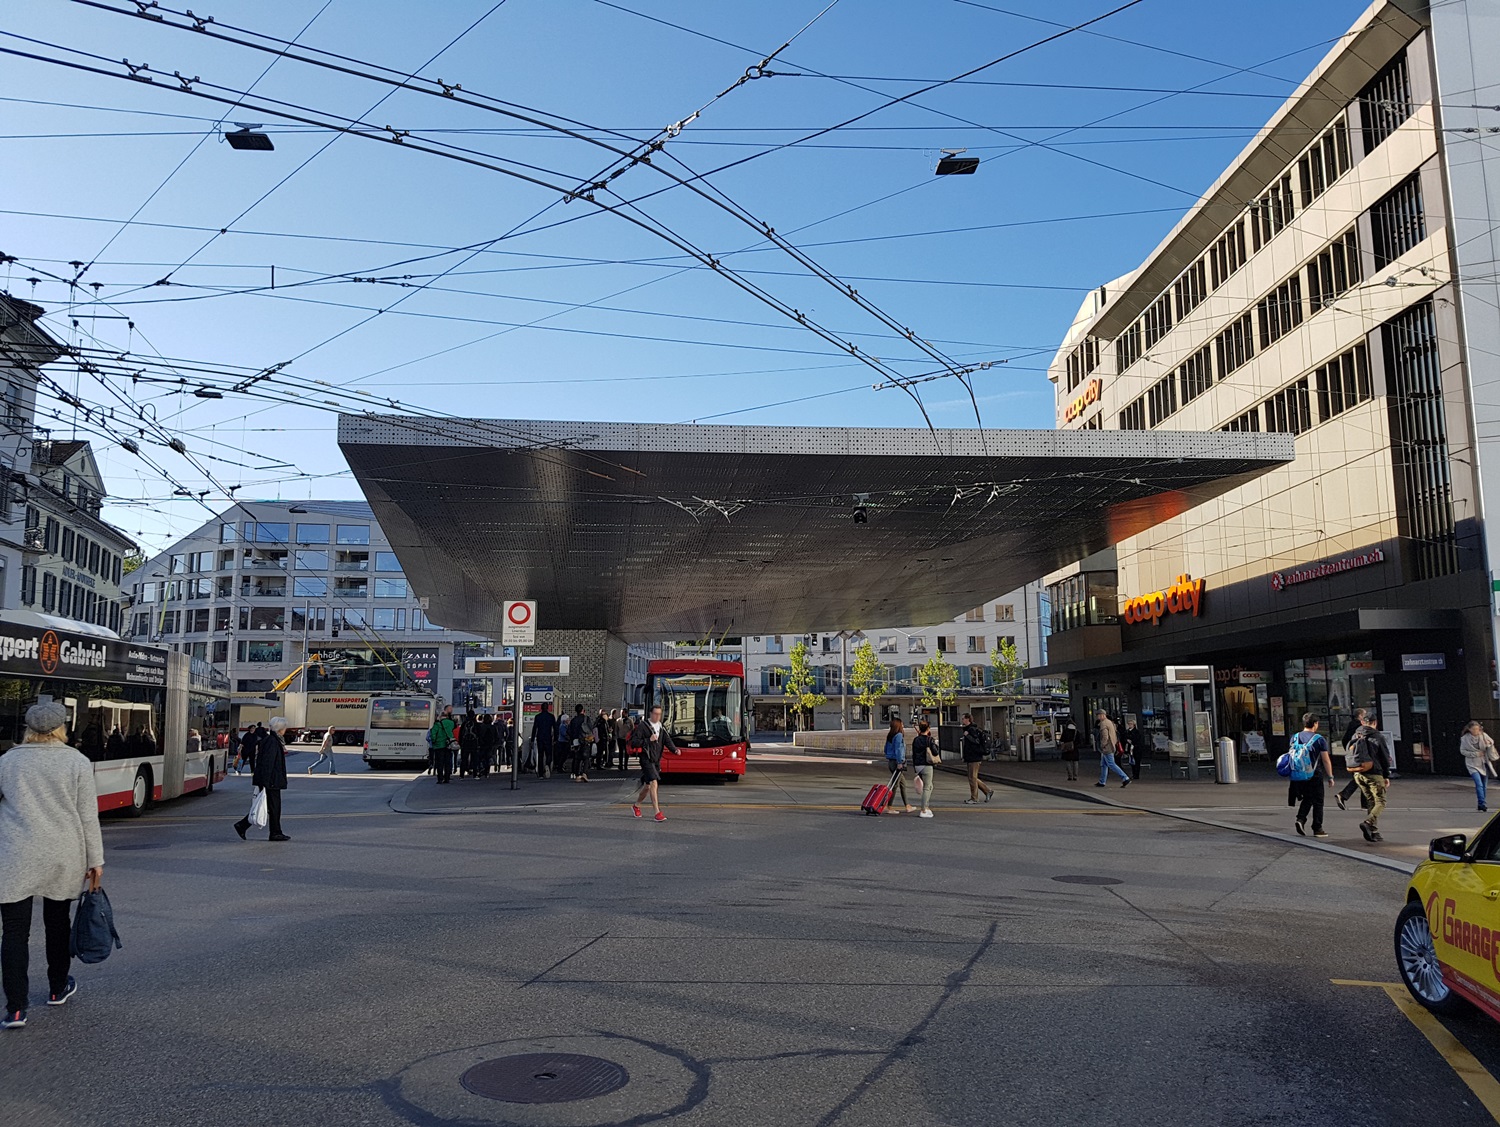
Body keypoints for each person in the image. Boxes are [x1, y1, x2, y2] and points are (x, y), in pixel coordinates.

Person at [0, 701, 105, 1030]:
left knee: (14, 934)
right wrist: (95, 860)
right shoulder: (77, 762)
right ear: (62, 728)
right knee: (57, 924)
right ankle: (58, 987)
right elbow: (88, 815)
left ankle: (16, 1008)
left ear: (28, 728)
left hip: (16, 855)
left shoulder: (7, 761)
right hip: (63, 855)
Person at [234, 717, 291, 843]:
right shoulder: (272, 741)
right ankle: (274, 833)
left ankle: (245, 826)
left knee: (269, 806)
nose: (285, 730)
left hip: (270, 780)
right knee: (274, 807)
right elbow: (267, 763)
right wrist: (265, 782)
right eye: (284, 727)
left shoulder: (272, 740)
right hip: (271, 781)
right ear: (280, 729)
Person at [629, 704, 682, 821]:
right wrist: (648, 740)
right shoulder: (643, 726)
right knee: (654, 782)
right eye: (655, 714)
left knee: (647, 786)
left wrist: (675, 750)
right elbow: (634, 742)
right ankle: (657, 813)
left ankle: (636, 805)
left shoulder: (661, 727)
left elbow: (667, 740)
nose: (658, 716)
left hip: (656, 760)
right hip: (646, 759)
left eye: (659, 714)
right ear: (650, 714)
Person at [1287, 713, 1334, 839]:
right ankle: (1317, 828)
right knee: (1318, 801)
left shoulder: (1294, 737)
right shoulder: (1319, 739)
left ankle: (1300, 819)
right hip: (1314, 773)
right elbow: (1325, 760)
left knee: (1308, 797)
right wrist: (1330, 776)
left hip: (1298, 773)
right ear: (1315, 724)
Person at [1348, 715, 1389, 843]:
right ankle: (1368, 822)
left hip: (1358, 773)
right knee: (1381, 801)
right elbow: (1385, 757)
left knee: (1371, 801)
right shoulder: (1378, 736)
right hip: (1374, 773)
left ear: (1363, 722)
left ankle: (1374, 831)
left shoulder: (1356, 735)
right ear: (1375, 722)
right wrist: (1386, 775)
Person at [1334, 708, 1369, 810]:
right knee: (1361, 777)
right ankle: (1343, 795)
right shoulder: (1360, 727)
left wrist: (1350, 751)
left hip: (1353, 756)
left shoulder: (1351, 725)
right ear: (1360, 716)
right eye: (1365, 715)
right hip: (1360, 757)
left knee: (1362, 778)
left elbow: (1345, 740)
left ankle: (1365, 803)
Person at [1461, 720, 1497, 813]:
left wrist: (1488, 744)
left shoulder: (1483, 735)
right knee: (1479, 784)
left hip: (1484, 763)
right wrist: (1476, 754)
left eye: (1477, 729)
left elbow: (1491, 742)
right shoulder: (1465, 738)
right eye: (1474, 729)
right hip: (1472, 764)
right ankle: (1482, 803)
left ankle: (1481, 804)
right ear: (1469, 729)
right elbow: (1463, 751)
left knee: (1484, 785)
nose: (1476, 731)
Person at [882, 717, 915, 814]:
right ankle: (889, 806)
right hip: (897, 762)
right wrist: (900, 762)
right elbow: (899, 749)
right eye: (902, 724)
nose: (903, 726)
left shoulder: (890, 736)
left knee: (902, 783)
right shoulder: (899, 736)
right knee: (895, 785)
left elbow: (885, 749)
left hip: (891, 761)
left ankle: (907, 805)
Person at [960, 713, 995, 804]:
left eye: (963, 718)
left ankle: (974, 798)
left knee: (972, 778)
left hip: (974, 757)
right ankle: (987, 791)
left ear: (968, 719)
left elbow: (976, 742)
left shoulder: (971, 730)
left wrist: (967, 735)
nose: (962, 720)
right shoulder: (970, 729)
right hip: (972, 756)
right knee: (972, 777)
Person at [910, 720, 939, 818]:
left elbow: (913, 754)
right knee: (927, 787)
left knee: (929, 786)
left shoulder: (916, 740)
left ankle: (926, 806)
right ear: (928, 729)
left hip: (918, 765)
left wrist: (915, 767)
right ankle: (923, 809)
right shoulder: (929, 739)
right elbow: (935, 752)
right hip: (927, 764)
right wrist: (935, 745)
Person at [1095, 710, 1130, 789]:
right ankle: (1102, 781)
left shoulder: (1104, 724)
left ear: (1102, 715)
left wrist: (1102, 745)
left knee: (1111, 764)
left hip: (1107, 747)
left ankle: (1125, 778)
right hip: (1111, 745)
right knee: (1104, 764)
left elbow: (1105, 736)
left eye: (1098, 715)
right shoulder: (1110, 722)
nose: (1097, 717)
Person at [428, 706, 458, 784]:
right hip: (448, 745)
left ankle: (440, 778)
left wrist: (434, 741)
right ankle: (447, 778)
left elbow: (433, 734)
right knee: (447, 762)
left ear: (441, 717)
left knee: (439, 763)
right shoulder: (451, 723)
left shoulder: (437, 724)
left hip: (439, 745)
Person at [475, 714, 497, 778]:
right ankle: (487, 772)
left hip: (482, 745)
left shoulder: (481, 726)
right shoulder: (493, 727)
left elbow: (478, 735)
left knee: (480, 758)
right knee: (488, 758)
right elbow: (496, 736)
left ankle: (480, 770)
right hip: (490, 745)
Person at [458, 711, 479, 779]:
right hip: (474, 743)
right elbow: (479, 734)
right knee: (475, 759)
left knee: (464, 759)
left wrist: (461, 743)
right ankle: (475, 774)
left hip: (465, 743)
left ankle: (462, 775)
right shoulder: (475, 724)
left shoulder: (464, 723)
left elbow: (460, 734)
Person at [1059, 717, 1079, 782]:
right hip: (1075, 748)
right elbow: (1080, 741)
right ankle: (1075, 776)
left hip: (1067, 748)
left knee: (1068, 762)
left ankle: (1070, 776)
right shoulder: (1076, 731)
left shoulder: (1065, 731)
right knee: (1075, 762)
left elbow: (1061, 740)